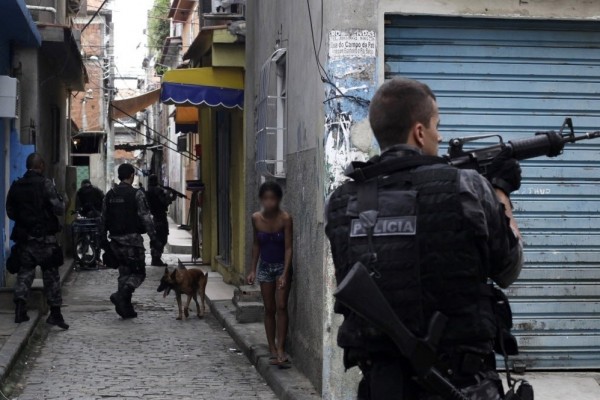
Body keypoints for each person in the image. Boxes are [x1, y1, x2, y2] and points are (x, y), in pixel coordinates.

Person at [325, 78, 524, 399]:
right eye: (436, 126)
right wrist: (500, 192)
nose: (440, 136)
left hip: (380, 385)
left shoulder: (341, 201)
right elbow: (508, 269)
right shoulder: (466, 187)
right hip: (460, 385)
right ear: (419, 132)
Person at [6, 153, 69, 329]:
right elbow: (59, 208)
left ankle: (20, 310)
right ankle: (55, 314)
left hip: (25, 239)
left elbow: (10, 212)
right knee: (51, 277)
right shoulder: (46, 184)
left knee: (24, 275)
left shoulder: (16, 185)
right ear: (40, 165)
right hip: (45, 240)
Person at [100, 163, 158, 319]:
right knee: (139, 273)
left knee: (124, 273)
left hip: (115, 242)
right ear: (131, 175)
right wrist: (154, 238)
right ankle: (122, 295)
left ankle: (125, 307)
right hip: (132, 241)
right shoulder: (136, 194)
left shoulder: (109, 195)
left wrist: (103, 243)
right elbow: (145, 218)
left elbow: (103, 220)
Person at [246, 181, 293, 368]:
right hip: (265, 266)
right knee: (269, 308)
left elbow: (289, 248)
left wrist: (285, 273)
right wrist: (252, 269)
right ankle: (271, 347)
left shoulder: (285, 219)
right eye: (266, 199)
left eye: (273, 199)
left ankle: (281, 348)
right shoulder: (256, 219)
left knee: (282, 306)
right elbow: (256, 244)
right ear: (261, 200)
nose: (269, 203)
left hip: (282, 266)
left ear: (279, 200)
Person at [145, 174, 176, 266]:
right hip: (160, 217)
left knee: (156, 238)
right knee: (162, 238)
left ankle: (155, 258)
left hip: (153, 217)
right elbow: (165, 202)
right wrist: (170, 194)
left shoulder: (148, 191)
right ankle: (156, 259)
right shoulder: (158, 191)